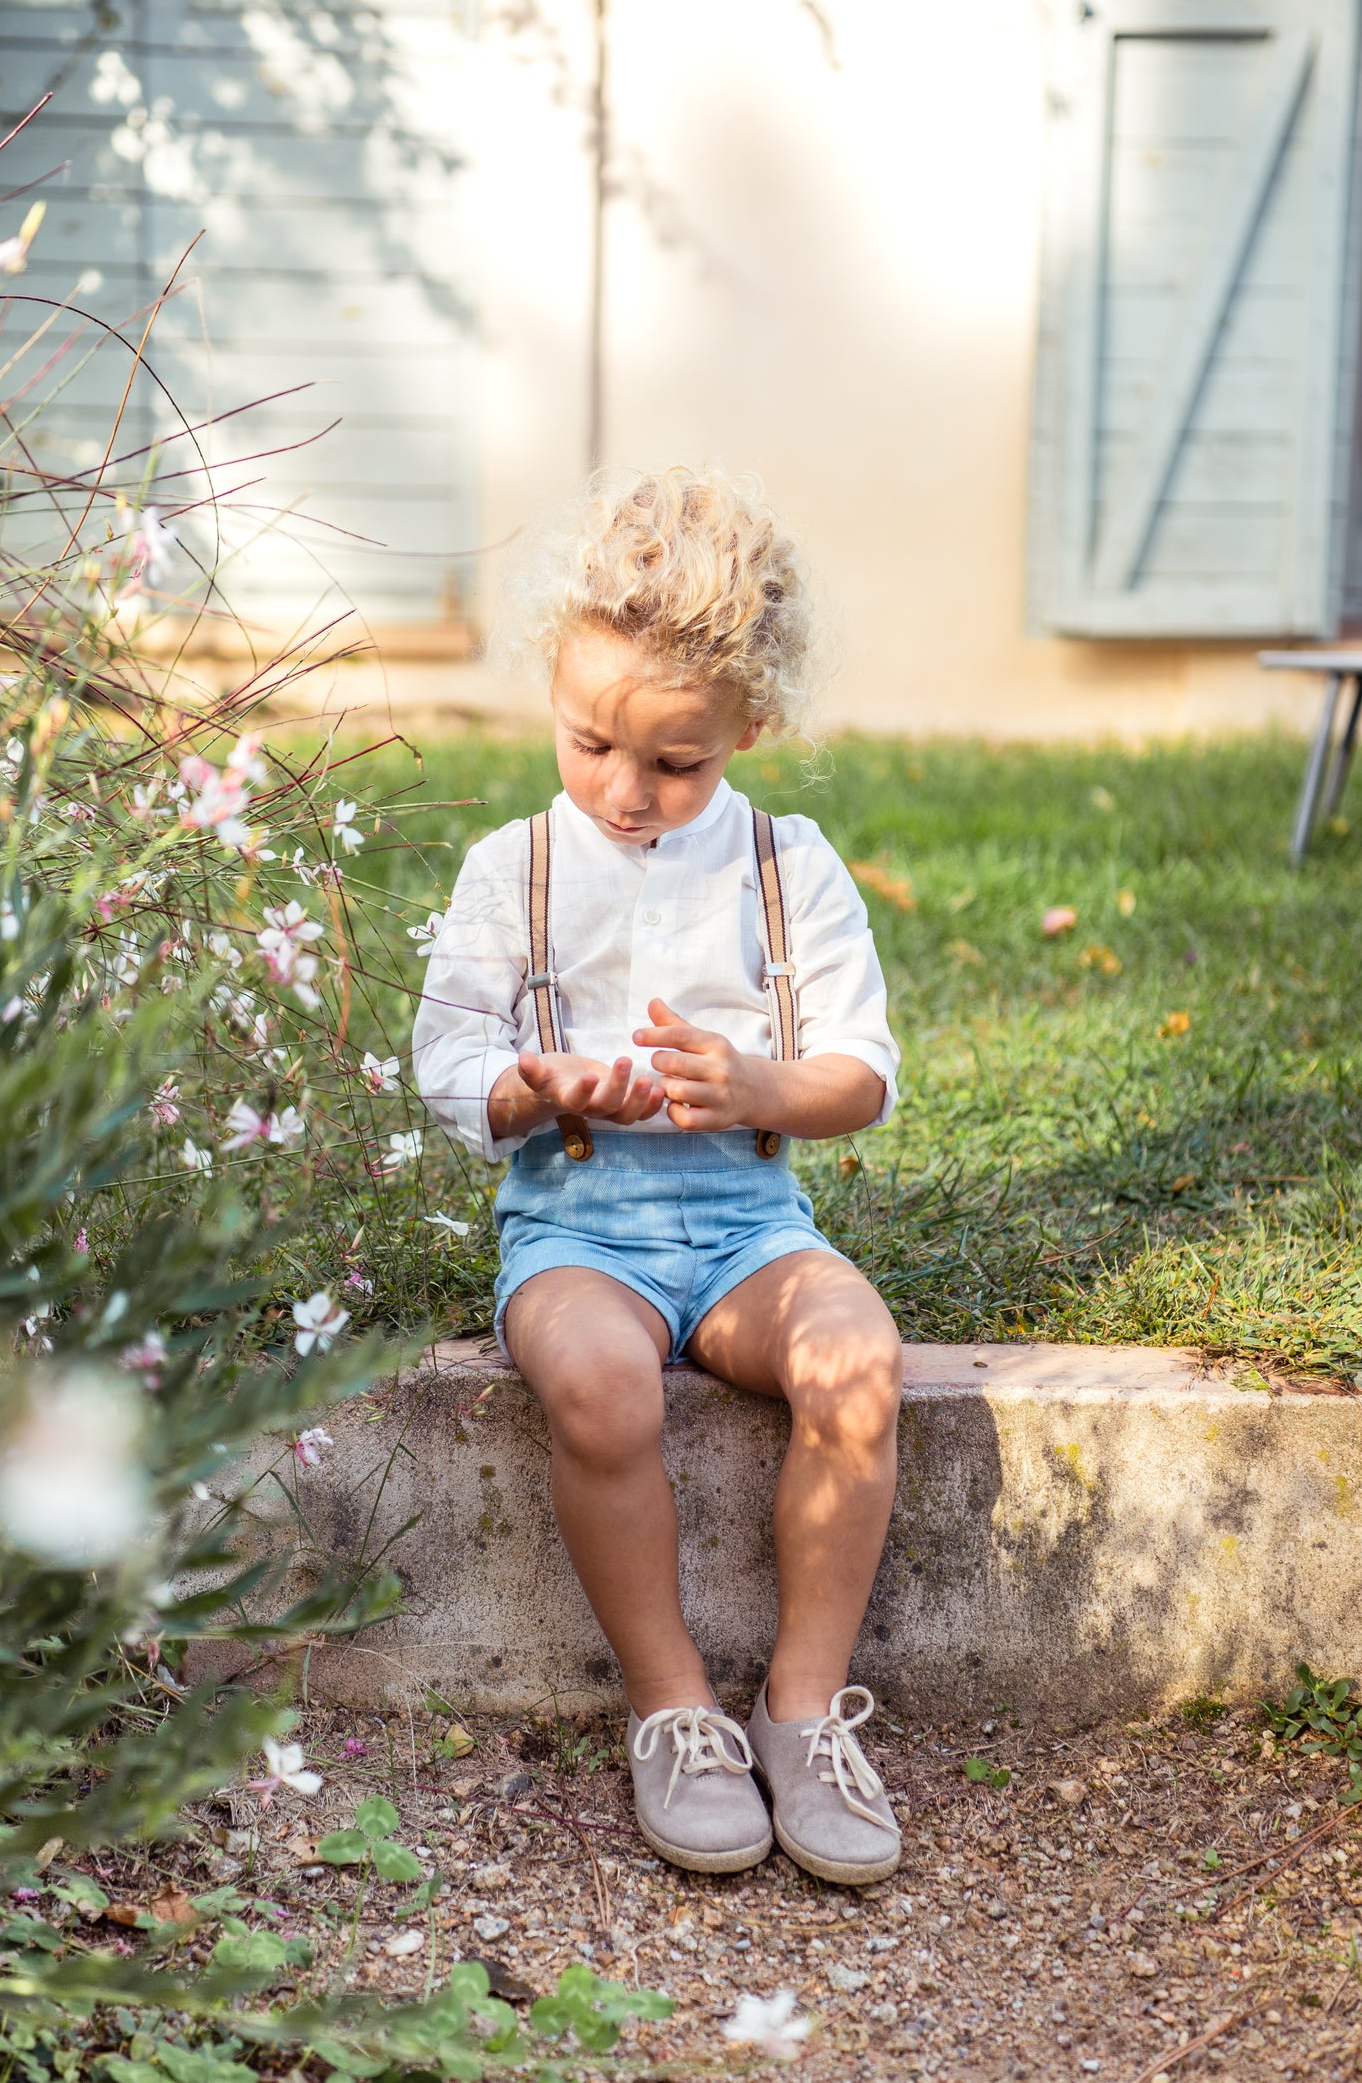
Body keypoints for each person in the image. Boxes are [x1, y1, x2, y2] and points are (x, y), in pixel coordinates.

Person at [413, 466, 904, 1885]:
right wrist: (530, 1081)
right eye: (589, 744)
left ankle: (802, 1708)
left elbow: (858, 1070)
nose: (625, 792)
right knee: (599, 1380)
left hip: (750, 1223)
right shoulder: (511, 869)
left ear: (747, 728)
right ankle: (672, 1703)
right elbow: (448, 1055)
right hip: (575, 1225)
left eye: (674, 763)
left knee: (857, 1366)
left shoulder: (783, 866)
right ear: (554, 698)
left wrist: (759, 1085)